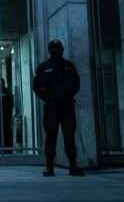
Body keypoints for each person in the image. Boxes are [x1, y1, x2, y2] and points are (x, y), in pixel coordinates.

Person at [32, 39, 83, 176]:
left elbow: (76, 84)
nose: (55, 52)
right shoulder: (43, 67)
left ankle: (73, 166)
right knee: (51, 137)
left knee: (69, 137)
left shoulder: (68, 66)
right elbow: (36, 87)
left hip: (66, 106)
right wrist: (47, 98)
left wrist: (67, 96)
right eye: (54, 49)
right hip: (52, 107)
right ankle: (49, 167)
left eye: (57, 49)